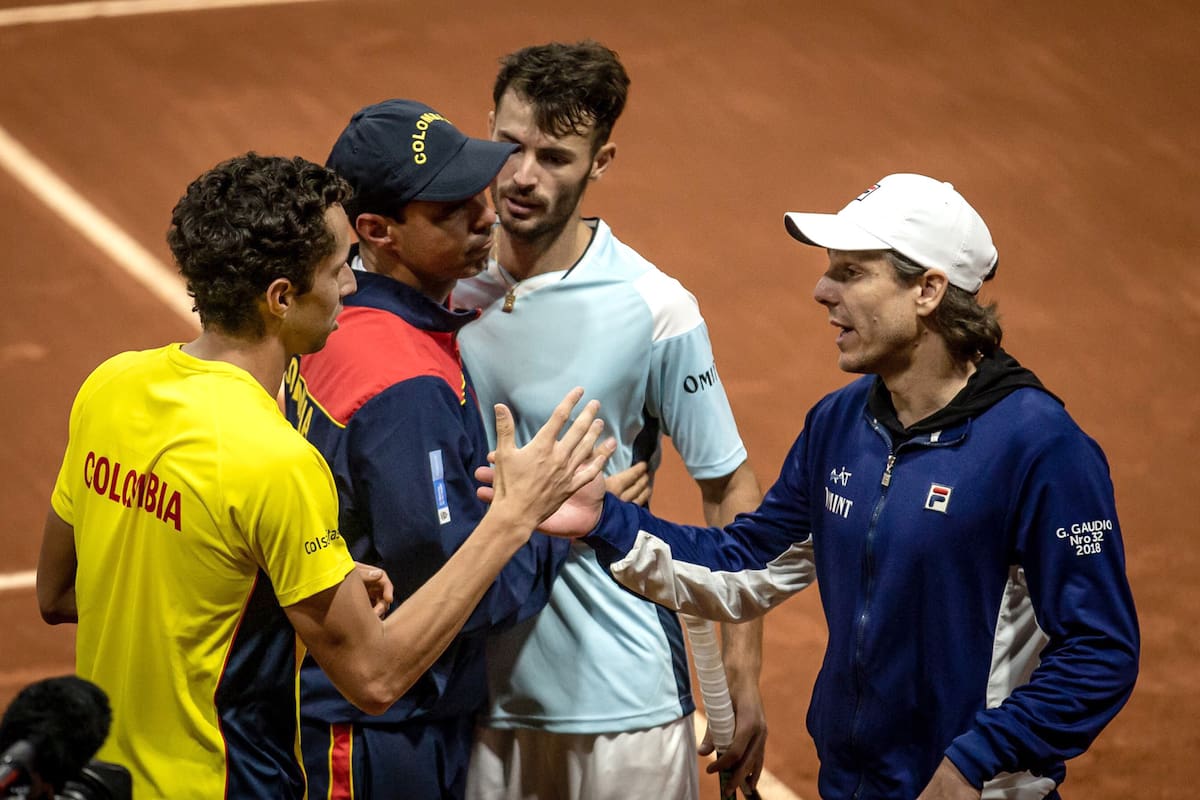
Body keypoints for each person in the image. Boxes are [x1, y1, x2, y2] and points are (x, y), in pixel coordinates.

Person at [36, 152, 614, 800]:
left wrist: (287, 588)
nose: (349, 287)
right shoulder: (278, 461)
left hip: (103, 781)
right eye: (337, 268)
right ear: (282, 297)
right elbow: (375, 678)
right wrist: (510, 522)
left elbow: (60, 593)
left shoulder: (111, 385)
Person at [547, 172, 1141, 799]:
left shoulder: (1040, 448)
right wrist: (604, 520)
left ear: (928, 290)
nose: (821, 291)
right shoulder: (839, 423)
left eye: (852, 273)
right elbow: (746, 564)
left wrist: (978, 760)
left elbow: (1099, 651)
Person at [453, 41, 768, 799]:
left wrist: (740, 675)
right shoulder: (442, 287)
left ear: (601, 162)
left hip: (626, 702)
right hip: (469, 691)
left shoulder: (654, 307)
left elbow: (728, 486)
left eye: (556, 157)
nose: (524, 176)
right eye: (510, 146)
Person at [282, 98, 582, 800]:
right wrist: (548, 530)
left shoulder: (337, 317)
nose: (487, 216)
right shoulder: (404, 382)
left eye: (478, 193)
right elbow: (446, 586)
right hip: (377, 737)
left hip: (337, 713)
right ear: (377, 230)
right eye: (451, 210)